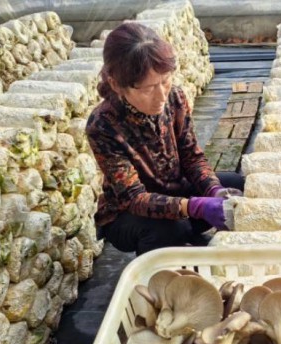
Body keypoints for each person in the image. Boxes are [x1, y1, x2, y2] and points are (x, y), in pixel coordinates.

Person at [86, 22, 243, 256]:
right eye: (147, 89)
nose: (161, 95)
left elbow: (192, 157)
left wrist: (214, 190)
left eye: (165, 81)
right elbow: (134, 198)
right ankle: (162, 266)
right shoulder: (103, 124)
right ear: (117, 85)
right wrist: (194, 206)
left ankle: (188, 235)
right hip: (130, 213)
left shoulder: (174, 97)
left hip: (177, 190)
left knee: (237, 186)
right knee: (169, 228)